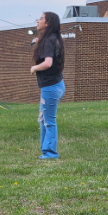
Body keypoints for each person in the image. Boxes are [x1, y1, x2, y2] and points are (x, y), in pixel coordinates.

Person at [30, 11, 65, 159]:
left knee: (49, 121)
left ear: (48, 23)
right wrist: (40, 42)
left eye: (41, 18)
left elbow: (48, 63)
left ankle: (50, 153)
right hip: (55, 85)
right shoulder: (52, 39)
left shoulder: (49, 41)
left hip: (51, 87)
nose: (38, 21)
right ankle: (46, 151)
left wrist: (34, 68)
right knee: (43, 119)